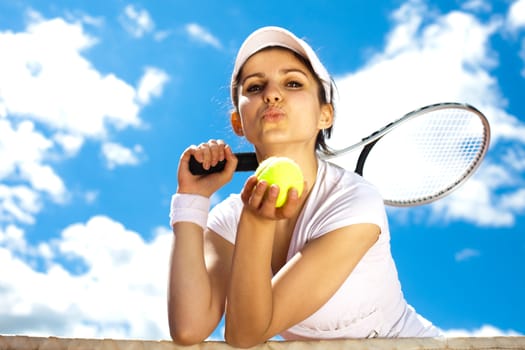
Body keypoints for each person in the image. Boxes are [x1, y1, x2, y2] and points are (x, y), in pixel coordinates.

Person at [167, 26, 441, 348]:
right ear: (238, 123)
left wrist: (257, 222)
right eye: (255, 87)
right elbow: (189, 328)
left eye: (293, 82)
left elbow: (246, 334)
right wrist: (192, 200)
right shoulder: (228, 218)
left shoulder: (353, 200)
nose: (271, 94)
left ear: (325, 115)